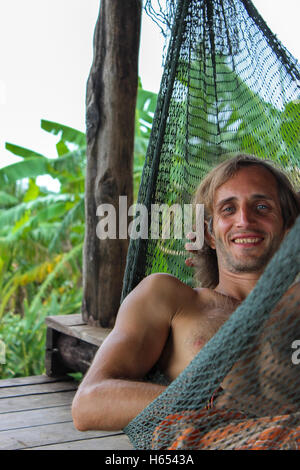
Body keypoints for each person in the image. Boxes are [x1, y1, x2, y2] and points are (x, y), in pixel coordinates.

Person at [72, 154, 300, 432]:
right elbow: (89, 403)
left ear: (288, 227)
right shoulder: (172, 299)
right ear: (209, 234)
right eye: (228, 209)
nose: (244, 220)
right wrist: (221, 405)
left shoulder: (293, 309)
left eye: (262, 207)